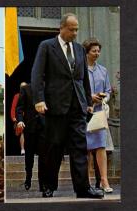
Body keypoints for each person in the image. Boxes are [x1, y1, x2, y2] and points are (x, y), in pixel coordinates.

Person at [31, 13, 104, 198]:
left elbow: (83, 78)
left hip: (77, 108)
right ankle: (48, 186)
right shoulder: (47, 46)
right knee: (53, 148)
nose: (75, 33)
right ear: (61, 28)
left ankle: (83, 189)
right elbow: (37, 74)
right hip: (55, 107)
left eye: (77, 29)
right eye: (71, 29)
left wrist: (87, 102)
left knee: (79, 148)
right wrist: (38, 99)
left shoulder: (80, 49)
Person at [82, 38, 113, 193]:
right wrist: (90, 97)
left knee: (101, 147)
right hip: (85, 112)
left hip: (99, 113)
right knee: (86, 149)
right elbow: (78, 90)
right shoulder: (79, 70)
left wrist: (103, 98)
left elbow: (108, 91)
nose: (97, 53)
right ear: (86, 52)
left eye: (98, 51)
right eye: (94, 51)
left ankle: (104, 181)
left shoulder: (103, 70)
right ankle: (86, 182)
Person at [16, 83, 46, 191]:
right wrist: (20, 120)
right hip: (30, 126)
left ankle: (42, 183)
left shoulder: (48, 87)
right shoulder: (26, 89)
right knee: (29, 156)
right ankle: (28, 178)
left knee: (43, 156)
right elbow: (19, 108)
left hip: (44, 127)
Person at [11, 82, 27, 155]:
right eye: (22, 87)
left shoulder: (30, 95)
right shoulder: (17, 96)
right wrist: (13, 117)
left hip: (29, 117)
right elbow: (13, 107)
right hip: (21, 117)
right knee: (22, 133)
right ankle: (22, 149)